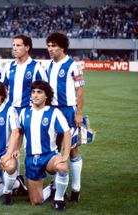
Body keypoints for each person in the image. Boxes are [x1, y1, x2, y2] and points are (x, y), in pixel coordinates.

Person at [19, 80, 71, 211]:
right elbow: (18, 133)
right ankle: (53, 187)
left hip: (49, 156)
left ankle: (59, 198)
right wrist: (15, 150)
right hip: (31, 158)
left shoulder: (54, 113)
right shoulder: (24, 113)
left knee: (62, 166)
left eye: (39, 92)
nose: (35, 95)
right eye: (33, 92)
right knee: (36, 202)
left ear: (46, 96)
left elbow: (67, 132)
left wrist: (65, 154)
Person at [46, 32, 85, 202]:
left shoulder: (73, 65)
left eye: (54, 46)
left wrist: (79, 112)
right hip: (53, 111)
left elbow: (80, 90)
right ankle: (56, 186)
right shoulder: (49, 65)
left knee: (73, 149)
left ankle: (76, 188)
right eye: (49, 45)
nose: (50, 49)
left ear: (62, 47)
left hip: (68, 111)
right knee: (55, 148)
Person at [2, 34, 47, 114]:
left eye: (18, 45)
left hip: (29, 110)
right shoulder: (8, 67)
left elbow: (44, 90)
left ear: (27, 48)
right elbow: (3, 86)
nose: (15, 48)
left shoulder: (36, 68)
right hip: (11, 110)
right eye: (14, 45)